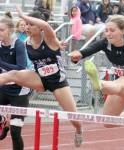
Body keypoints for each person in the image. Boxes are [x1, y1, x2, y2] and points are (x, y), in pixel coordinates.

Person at [0, 6, 83, 147]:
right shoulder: (26, 42)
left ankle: (79, 130)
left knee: (72, 116)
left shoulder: (49, 38)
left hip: (58, 82)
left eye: (31, 24)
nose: (27, 27)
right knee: (12, 75)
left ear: (39, 27)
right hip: (39, 78)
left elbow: (45, 25)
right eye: (26, 24)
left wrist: (22, 15)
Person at [69, 15, 124, 127]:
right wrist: (77, 55)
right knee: (108, 121)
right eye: (106, 30)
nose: (108, 33)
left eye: (112, 30)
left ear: (122, 31)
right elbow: (86, 51)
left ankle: (100, 83)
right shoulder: (104, 43)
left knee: (120, 83)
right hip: (117, 87)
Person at [0, 12, 31, 150]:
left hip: (19, 92)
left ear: (10, 30)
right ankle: (3, 121)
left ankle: (9, 125)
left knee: (15, 132)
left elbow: (21, 68)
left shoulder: (18, 45)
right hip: (2, 89)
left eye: (1, 30)